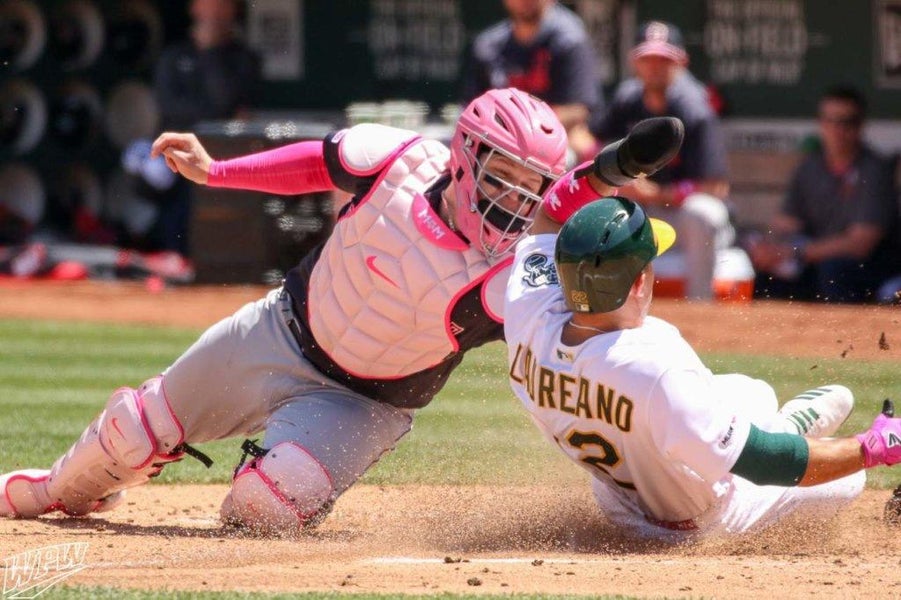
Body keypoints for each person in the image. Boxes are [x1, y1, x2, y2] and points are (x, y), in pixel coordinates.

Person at [1, 88, 682, 533]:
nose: (516, 201)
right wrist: (218, 173)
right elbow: (312, 163)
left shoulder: (509, 275)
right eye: (504, 179)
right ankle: (54, 489)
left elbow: (560, 224)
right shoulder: (397, 158)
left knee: (263, 508)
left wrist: (611, 175)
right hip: (275, 331)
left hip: (364, 404)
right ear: (466, 158)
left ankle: (274, 468)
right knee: (131, 430)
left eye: (529, 187)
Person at [503, 161, 901, 539]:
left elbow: (549, 216)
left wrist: (613, 163)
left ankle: (777, 426)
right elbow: (767, 464)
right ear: (640, 282)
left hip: (618, 503)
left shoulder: (529, 311)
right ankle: (787, 428)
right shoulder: (656, 364)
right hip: (697, 522)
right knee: (850, 479)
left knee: (752, 390)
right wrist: (870, 449)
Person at [591, 20, 733, 300]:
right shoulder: (626, 99)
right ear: (635, 61)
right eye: (648, 58)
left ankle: (701, 307)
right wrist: (616, 177)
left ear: (681, 62)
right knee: (599, 204)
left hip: (681, 215)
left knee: (702, 212)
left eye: (664, 59)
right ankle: (605, 306)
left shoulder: (695, 107)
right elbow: (593, 143)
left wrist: (657, 193)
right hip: (640, 209)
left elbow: (716, 187)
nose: (655, 66)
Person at [747, 86, 899, 303]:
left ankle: (842, 336)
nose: (837, 130)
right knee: (767, 273)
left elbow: (860, 245)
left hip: (871, 266)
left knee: (833, 271)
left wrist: (795, 252)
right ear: (821, 124)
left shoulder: (874, 170)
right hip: (815, 258)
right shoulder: (810, 166)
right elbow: (784, 224)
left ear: (860, 126)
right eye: (830, 121)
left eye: (846, 122)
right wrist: (769, 247)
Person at [148, 0, 261, 255]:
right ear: (194, 8)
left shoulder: (243, 58)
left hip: (221, 153)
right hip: (173, 152)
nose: (216, 11)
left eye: (224, 4)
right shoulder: (174, 55)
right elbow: (168, 106)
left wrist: (210, 51)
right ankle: (166, 252)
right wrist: (215, 115)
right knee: (150, 167)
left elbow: (227, 100)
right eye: (210, 3)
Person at [462, 0, 601, 161]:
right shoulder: (488, 45)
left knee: (580, 147)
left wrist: (518, 128)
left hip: (554, 138)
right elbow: (472, 106)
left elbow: (577, 110)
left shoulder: (569, 39)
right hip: (498, 136)